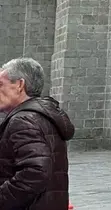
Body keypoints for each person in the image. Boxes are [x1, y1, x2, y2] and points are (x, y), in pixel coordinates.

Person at [0, 58, 74, 210]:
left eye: (1, 84)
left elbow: (36, 172)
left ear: (20, 85)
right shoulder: (43, 115)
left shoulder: (23, 120)